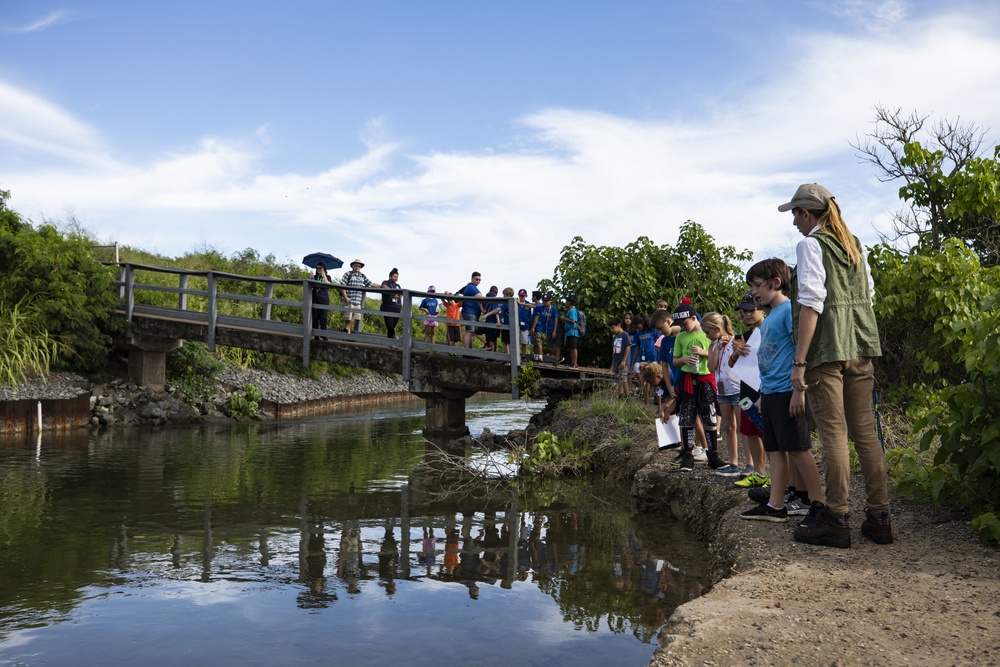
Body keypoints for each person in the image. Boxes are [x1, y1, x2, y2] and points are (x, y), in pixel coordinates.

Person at [781, 183, 891, 548]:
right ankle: (879, 517)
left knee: (834, 435)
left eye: (796, 214)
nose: (794, 221)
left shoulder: (810, 245)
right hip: (860, 346)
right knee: (865, 434)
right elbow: (869, 297)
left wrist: (800, 362)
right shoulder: (854, 245)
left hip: (827, 351)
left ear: (808, 214)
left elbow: (811, 304)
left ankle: (838, 517)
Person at [739, 258, 826, 525]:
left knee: (798, 448)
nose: (754, 292)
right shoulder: (768, 319)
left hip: (789, 391)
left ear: (776, 283)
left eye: (757, 285)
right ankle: (776, 505)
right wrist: (763, 393)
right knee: (775, 449)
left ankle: (818, 503)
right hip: (772, 392)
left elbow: (799, 349)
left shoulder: (789, 310)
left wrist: (798, 391)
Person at [671, 298, 725, 471]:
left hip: (705, 381)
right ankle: (688, 455)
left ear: (694, 318)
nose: (683, 326)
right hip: (687, 380)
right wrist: (684, 359)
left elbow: (717, 357)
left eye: (685, 322)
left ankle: (713, 455)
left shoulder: (707, 335)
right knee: (686, 417)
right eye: (680, 324)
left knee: (709, 418)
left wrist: (703, 352)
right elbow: (675, 361)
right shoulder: (680, 336)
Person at [731, 291, 770, 489]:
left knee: (766, 433)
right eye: (742, 312)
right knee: (750, 432)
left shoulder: (771, 330)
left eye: (749, 310)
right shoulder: (743, 336)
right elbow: (731, 364)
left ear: (761, 309)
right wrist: (736, 352)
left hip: (765, 389)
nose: (745, 315)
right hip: (746, 388)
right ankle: (759, 473)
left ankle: (777, 476)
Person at [702, 312, 742, 477]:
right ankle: (734, 463)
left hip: (738, 389)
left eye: (708, 332)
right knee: (729, 426)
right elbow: (711, 367)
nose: (706, 335)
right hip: (722, 391)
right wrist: (717, 348)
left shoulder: (736, 340)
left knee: (743, 428)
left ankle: (752, 464)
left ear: (717, 328)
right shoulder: (712, 346)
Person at [340, 259, 372, 334]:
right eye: (356, 265)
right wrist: (345, 297)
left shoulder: (362, 276)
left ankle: (346, 329)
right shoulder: (348, 274)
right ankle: (347, 336)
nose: (357, 267)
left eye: (359, 266)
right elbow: (342, 286)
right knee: (348, 319)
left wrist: (382, 286)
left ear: (361, 267)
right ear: (352, 266)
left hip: (357, 301)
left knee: (357, 318)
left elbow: (370, 284)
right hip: (349, 299)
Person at [458, 272, 484, 349]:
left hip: (472, 312)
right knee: (469, 332)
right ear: (472, 279)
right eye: (476, 279)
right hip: (470, 312)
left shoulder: (473, 288)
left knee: (471, 332)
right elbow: (480, 297)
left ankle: (469, 351)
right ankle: (467, 352)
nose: (478, 281)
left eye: (479, 280)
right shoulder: (471, 287)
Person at [531, 295, 559, 363]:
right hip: (547, 329)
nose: (545, 302)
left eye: (546, 301)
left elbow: (556, 319)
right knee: (548, 346)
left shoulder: (554, 309)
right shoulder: (541, 307)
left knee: (556, 345)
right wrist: (521, 303)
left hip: (554, 329)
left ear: (550, 301)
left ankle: (558, 357)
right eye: (544, 301)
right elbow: (532, 306)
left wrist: (554, 331)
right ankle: (558, 356)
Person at [609, 317, 632, 398]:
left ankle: (627, 396)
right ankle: (620, 395)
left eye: (613, 328)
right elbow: (614, 350)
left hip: (623, 362)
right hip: (616, 361)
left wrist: (624, 360)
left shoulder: (625, 335)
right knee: (619, 379)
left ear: (618, 325)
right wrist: (613, 363)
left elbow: (628, 347)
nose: (612, 330)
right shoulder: (615, 337)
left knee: (623, 379)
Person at [310, 262, 332, 337]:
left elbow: (328, 285)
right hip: (315, 297)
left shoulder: (328, 277)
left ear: (324, 269)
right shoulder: (315, 277)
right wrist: (311, 278)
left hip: (324, 298)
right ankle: (316, 335)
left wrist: (324, 275)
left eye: (320, 268)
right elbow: (311, 287)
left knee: (323, 317)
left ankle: (323, 334)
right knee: (314, 316)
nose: (318, 270)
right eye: (317, 268)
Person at [380, 268, 402, 339]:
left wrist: (398, 297)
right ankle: (394, 339)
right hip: (388, 308)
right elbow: (384, 287)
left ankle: (390, 343)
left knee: (392, 327)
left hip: (397, 309)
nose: (396, 278)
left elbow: (401, 294)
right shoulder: (386, 282)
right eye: (394, 276)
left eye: (397, 277)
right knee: (390, 327)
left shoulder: (398, 285)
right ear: (390, 276)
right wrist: (393, 292)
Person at [559, 296, 580, 368]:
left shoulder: (572, 311)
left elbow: (573, 321)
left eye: (566, 302)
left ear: (569, 302)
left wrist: (564, 319)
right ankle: (572, 362)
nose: (565, 303)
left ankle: (575, 363)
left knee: (573, 347)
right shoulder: (570, 311)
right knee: (571, 348)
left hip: (572, 331)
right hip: (569, 332)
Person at [516, 289, 535, 357]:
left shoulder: (528, 304)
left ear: (526, 296)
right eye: (520, 295)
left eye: (523, 296)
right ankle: (516, 354)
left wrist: (530, 327)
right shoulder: (515, 303)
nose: (521, 297)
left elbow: (530, 316)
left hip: (525, 325)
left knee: (524, 341)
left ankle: (523, 355)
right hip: (516, 325)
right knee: (515, 340)